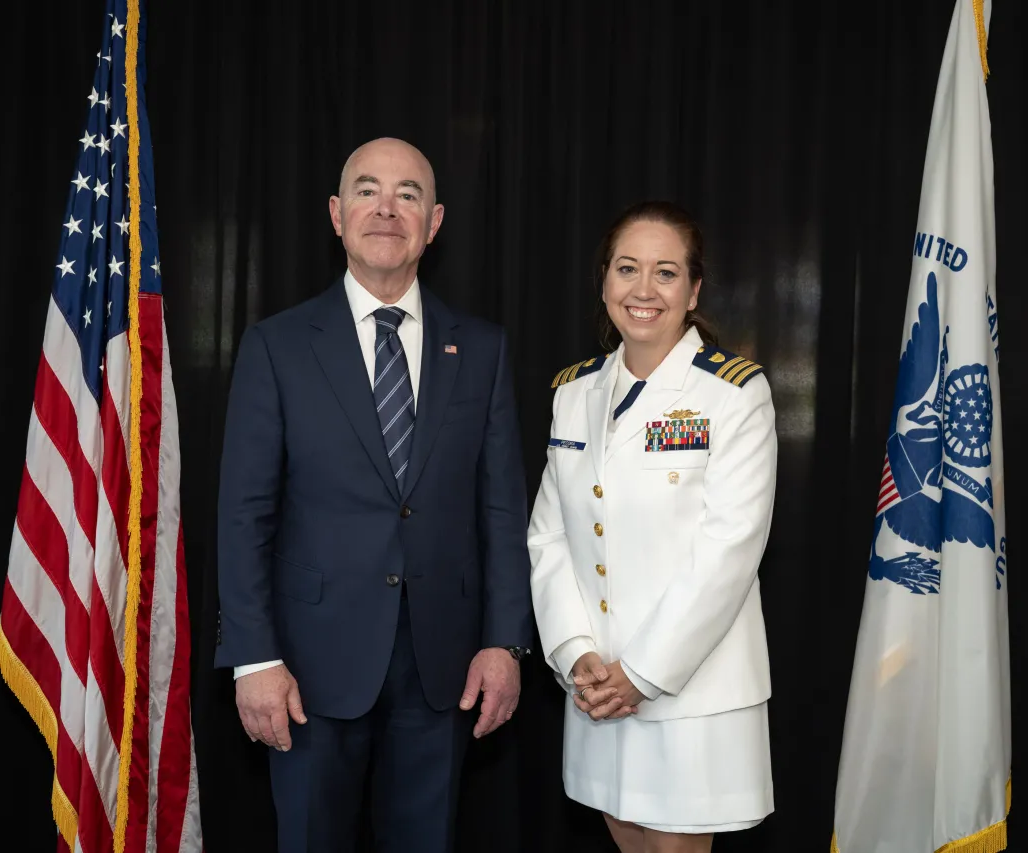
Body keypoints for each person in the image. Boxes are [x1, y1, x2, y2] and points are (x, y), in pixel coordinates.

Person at [215, 136, 534, 853]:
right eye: (367, 190)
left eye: (408, 195)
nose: (386, 209)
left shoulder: (480, 349)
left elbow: (502, 506)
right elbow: (243, 514)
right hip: (304, 668)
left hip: (443, 670)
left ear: (435, 220)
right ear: (336, 213)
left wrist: (505, 640)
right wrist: (253, 656)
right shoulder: (278, 345)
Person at [528, 201, 778, 852]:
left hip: (687, 690)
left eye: (666, 273)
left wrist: (640, 674)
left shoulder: (732, 393)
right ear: (604, 281)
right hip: (597, 687)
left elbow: (729, 550)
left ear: (694, 291)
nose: (643, 289)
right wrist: (573, 651)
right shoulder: (573, 394)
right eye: (627, 268)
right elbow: (548, 537)